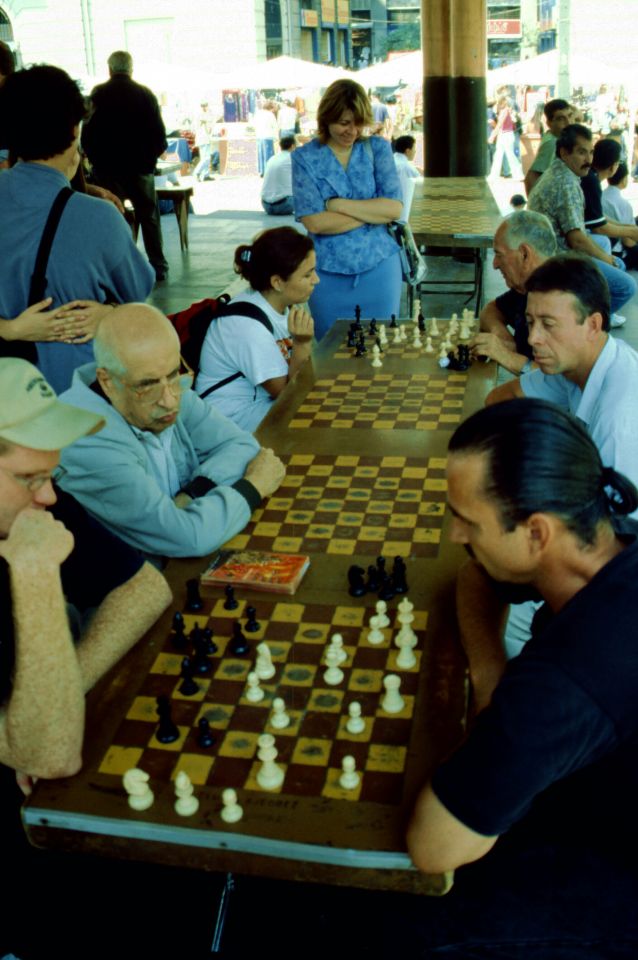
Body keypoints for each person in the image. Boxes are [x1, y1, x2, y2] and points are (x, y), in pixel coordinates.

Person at [401, 398, 638, 957]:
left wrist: (505, 706)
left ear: (535, 533)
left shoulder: (564, 682)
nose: (456, 535)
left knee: (405, 925)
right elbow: (474, 576)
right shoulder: (605, 539)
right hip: (594, 793)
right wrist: (489, 672)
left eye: (469, 521)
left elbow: (433, 848)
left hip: (614, 876)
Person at [0, 357, 172, 787]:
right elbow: (49, 754)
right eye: (27, 477)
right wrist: (35, 571)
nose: (49, 496)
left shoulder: (33, 504)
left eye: (50, 473)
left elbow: (146, 587)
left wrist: (60, 691)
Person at [56, 303, 286, 560]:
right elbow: (189, 538)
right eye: (147, 385)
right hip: (130, 588)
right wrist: (252, 486)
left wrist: (192, 493)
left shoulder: (170, 389)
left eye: (174, 373)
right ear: (107, 381)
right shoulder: (86, 441)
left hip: (177, 562)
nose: (169, 400)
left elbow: (243, 447)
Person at [0, 64, 154, 392]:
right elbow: (138, 293)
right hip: (76, 396)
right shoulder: (99, 217)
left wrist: (9, 329)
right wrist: (109, 314)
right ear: (74, 129)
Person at [292, 79, 403, 340]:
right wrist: (372, 214)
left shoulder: (378, 148)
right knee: (330, 352)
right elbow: (315, 223)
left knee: (381, 346)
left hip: (381, 268)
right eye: (343, 122)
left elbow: (394, 209)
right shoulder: (305, 157)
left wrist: (338, 205)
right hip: (325, 274)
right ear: (326, 118)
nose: (351, 131)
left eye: (358, 122)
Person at [196, 228, 316, 432]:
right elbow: (289, 395)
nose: (316, 280)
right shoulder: (247, 327)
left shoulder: (280, 306)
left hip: (259, 405)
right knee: (315, 421)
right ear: (277, 282)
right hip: (229, 420)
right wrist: (302, 343)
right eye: (307, 275)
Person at [527, 123, 637, 322]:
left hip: (550, 248)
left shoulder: (564, 172)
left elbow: (589, 222)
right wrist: (607, 259)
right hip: (554, 259)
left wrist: (628, 231)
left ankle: (588, 309)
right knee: (627, 285)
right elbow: (577, 240)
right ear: (564, 152)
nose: (588, 160)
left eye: (590, 152)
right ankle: (581, 324)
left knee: (604, 245)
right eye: (581, 153)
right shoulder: (566, 183)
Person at [82, 50, 169, 282]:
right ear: (131, 69)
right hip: (140, 168)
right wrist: (148, 160)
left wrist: (95, 159)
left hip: (107, 170)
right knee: (148, 216)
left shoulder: (98, 94)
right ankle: (158, 266)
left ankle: (118, 267)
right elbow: (160, 136)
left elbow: (87, 135)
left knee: (113, 216)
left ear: (109, 69)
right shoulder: (145, 95)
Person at [469, 210, 557, 376]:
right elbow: (491, 309)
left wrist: (506, 355)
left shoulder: (561, 298)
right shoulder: (528, 286)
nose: (494, 265)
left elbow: (557, 380)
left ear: (524, 254)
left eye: (499, 254)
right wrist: (504, 338)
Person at [523, 97, 570, 196]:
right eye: (561, 119)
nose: (568, 122)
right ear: (549, 123)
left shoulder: (558, 139)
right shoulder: (552, 143)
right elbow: (531, 177)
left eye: (569, 116)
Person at [603, 160, 638, 270]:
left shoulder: (601, 195)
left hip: (608, 245)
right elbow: (628, 241)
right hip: (619, 253)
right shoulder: (624, 204)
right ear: (624, 179)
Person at [488, 95, 523, 181]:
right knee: (500, 155)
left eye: (499, 103)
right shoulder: (509, 111)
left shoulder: (505, 111)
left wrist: (492, 136)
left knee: (506, 155)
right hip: (507, 134)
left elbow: (499, 125)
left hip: (505, 135)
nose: (498, 105)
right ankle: (494, 175)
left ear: (502, 103)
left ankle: (518, 174)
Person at [261, 136, 296, 216]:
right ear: (292, 146)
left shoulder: (272, 158)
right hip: (284, 205)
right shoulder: (292, 158)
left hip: (266, 205)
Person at [391, 135, 420, 223]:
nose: (415, 152)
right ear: (407, 151)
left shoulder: (390, 160)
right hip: (401, 213)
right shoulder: (406, 166)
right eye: (414, 149)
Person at [254, 100, 278, 177]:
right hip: (268, 136)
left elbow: (254, 124)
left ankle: (261, 171)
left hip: (259, 136)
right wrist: (276, 137)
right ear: (270, 108)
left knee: (261, 154)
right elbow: (275, 126)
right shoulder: (270, 115)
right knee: (269, 154)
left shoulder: (258, 114)